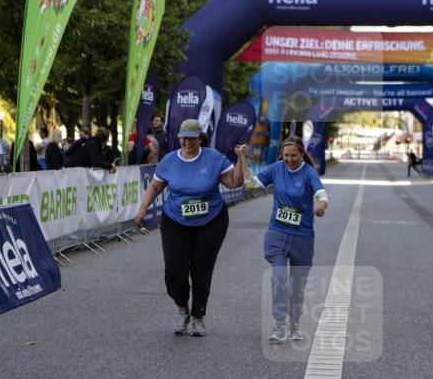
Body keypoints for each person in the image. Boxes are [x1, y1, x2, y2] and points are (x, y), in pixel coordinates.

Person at [135, 119, 246, 337]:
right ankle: (182, 308)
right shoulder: (169, 161)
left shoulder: (214, 158)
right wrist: (143, 208)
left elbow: (234, 183)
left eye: (192, 138)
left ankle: (198, 315)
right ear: (179, 138)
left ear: (200, 138)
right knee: (174, 269)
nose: (187, 142)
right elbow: (156, 186)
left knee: (202, 267)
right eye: (184, 137)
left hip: (212, 221)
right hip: (175, 220)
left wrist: (241, 159)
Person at [253, 136, 329, 343]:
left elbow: (322, 194)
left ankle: (294, 324)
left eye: (293, 156)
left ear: (302, 154)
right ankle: (279, 326)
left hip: (302, 237)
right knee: (279, 278)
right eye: (286, 156)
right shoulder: (276, 169)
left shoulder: (309, 173)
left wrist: (321, 206)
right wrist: (241, 159)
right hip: (277, 233)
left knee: (297, 286)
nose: (289, 160)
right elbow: (251, 184)